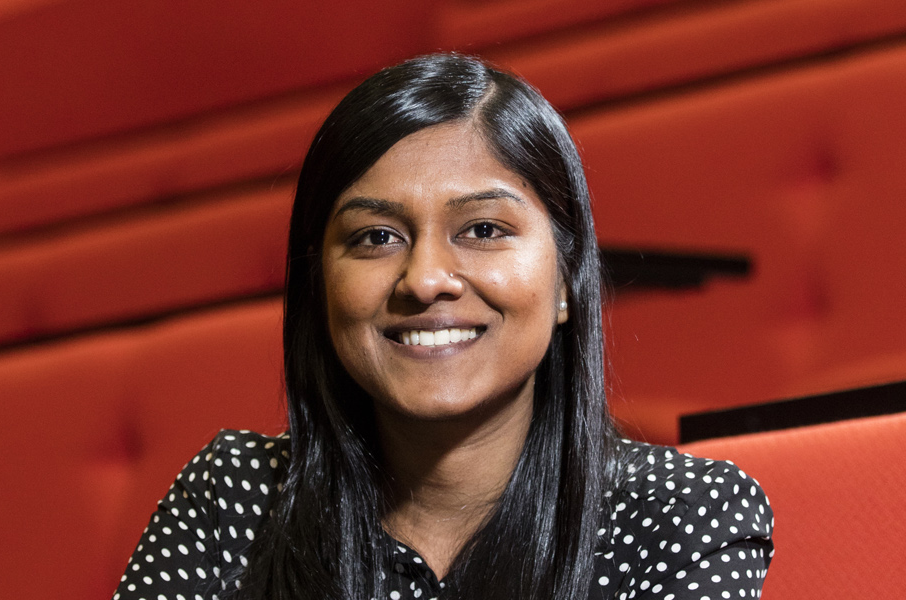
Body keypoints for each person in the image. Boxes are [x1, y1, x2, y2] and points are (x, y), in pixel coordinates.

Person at [115, 53, 772, 600]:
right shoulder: (237, 499)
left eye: (483, 230)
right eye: (375, 237)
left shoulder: (684, 515)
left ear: (569, 281)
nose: (426, 278)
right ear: (318, 287)